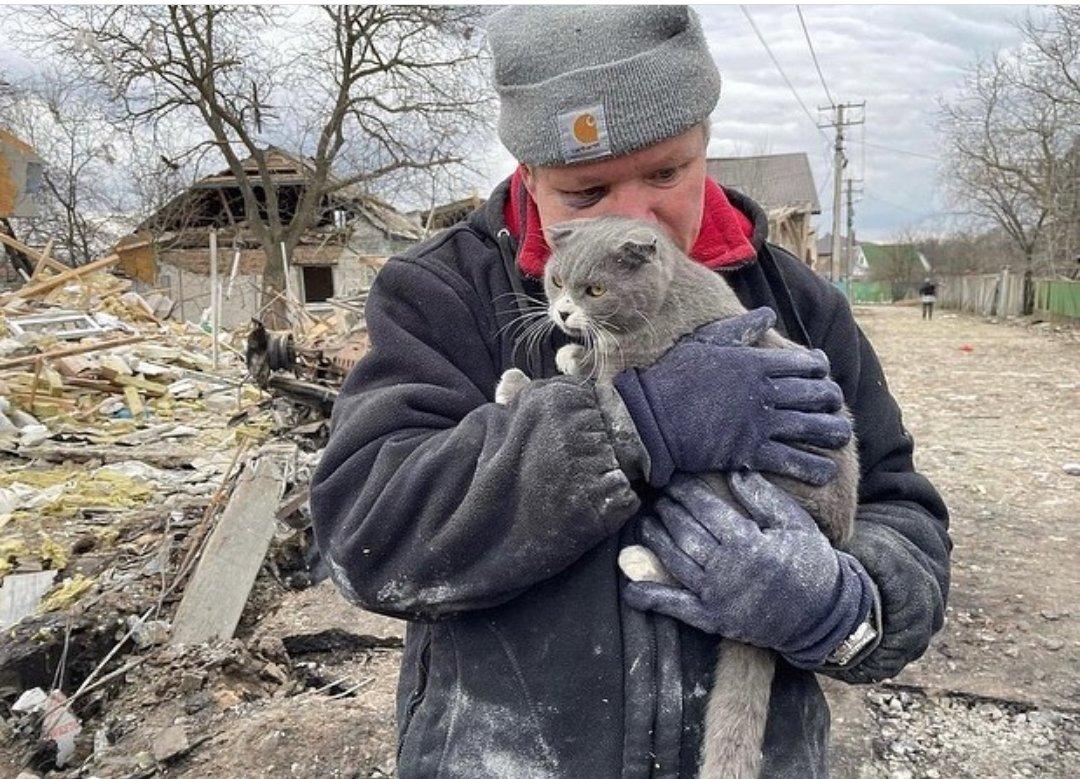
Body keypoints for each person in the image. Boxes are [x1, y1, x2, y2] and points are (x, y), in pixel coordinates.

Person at [311, 7, 951, 777]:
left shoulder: (797, 300)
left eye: (665, 173)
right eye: (585, 192)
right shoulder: (441, 294)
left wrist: (840, 605)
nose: (631, 217)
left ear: (704, 142)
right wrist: (625, 425)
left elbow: (900, 511)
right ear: (531, 175)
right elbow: (365, 536)